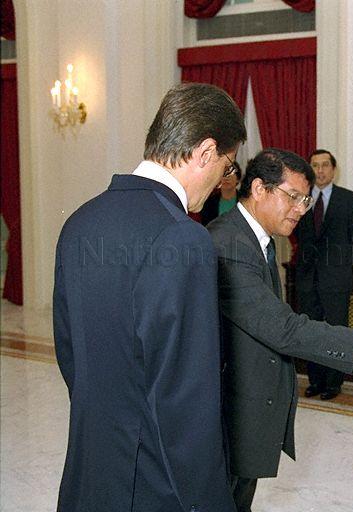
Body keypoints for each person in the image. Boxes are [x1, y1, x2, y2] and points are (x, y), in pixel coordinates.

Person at [53, 82, 247, 512]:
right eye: (227, 165)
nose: (222, 181)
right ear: (206, 152)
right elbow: (186, 397)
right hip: (157, 485)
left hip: (90, 470)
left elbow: (70, 354)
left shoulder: (80, 222)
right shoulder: (184, 237)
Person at [206, 148, 353, 512]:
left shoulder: (255, 238)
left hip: (248, 412)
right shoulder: (228, 243)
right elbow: (283, 328)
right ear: (259, 189)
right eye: (293, 197)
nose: (300, 209)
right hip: (228, 413)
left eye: (305, 200)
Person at [294, 149, 353, 400]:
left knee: (336, 333)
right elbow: (294, 232)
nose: (320, 170)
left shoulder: (348, 198)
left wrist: (343, 266)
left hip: (336, 279)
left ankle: (334, 383)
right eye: (315, 165)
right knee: (311, 331)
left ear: (334, 169)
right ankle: (315, 381)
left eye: (325, 165)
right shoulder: (300, 199)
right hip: (307, 279)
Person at [201, 160, 242, 225]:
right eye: (224, 174)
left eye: (231, 174)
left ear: (238, 179)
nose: (226, 178)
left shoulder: (244, 200)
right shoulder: (209, 203)